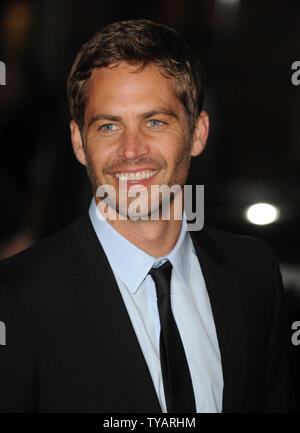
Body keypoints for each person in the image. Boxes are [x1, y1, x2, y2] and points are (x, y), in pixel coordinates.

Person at [0, 19, 290, 413]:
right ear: (79, 143)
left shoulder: (253, 273)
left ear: (198, 132)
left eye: (154, 121)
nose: (132, 150)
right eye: (108, 126)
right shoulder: (16, 298)